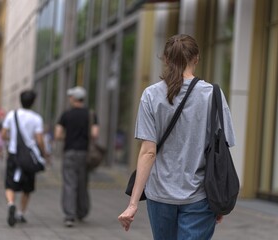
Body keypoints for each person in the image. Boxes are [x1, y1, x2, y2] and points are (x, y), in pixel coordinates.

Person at [118, 34, 236, 239]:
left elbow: (148, 152)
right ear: (196, 59)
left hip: (159, 195)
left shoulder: (151, 95)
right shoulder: (212, 94)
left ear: (165, 59)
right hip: (200, 195)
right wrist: (219, 199)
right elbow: (223, 147)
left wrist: (133, 204)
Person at [1, 90, 48, 227]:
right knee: (27, 187)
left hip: (13, 153)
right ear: (33, 102)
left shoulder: (11, 115)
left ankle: (10, 204)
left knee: (10, 183)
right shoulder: (36, 118)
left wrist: (12, 140)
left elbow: (3, 135)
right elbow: (39, 139)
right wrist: (44, 153)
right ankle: (21, 213)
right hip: (29, 156)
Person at [54, 86, 99, 228]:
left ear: (73, 98)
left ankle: (69, 216)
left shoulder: (66, 115)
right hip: (84, 153)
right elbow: (94, 134)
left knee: (69, 183)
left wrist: (68, 137)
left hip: (69, 152)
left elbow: (57, 134)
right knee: (82, 183)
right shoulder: (91, 114)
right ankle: (82, 212)